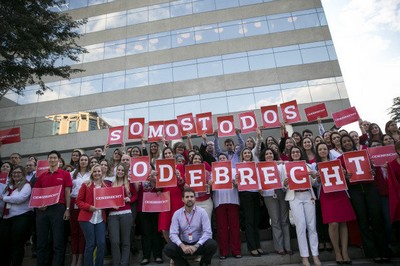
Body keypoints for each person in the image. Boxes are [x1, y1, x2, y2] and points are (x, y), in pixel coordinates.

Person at [339, 135, 390, 263]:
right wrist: (345, 176)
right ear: (341, 145)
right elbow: (340, 177)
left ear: (352, 142)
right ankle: (372, 253)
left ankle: (384, 251)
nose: (347, 143)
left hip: (370, 188)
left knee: (377, 218)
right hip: (355, 190)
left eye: (348, 141)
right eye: (344, 142)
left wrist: (373, 170)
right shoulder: (340, 159)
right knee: (363, 221)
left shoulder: (365, 153)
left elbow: (374, 168)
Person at [312, 143, 355, 264]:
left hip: (340, 193)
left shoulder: (337, 162)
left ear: (328, 151)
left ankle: (345, 252)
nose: (323, 151)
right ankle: (337, 252)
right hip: (326, 195)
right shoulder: (314, 166)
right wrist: (318, 179)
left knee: (343, 222)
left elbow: (346, 177)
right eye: (320, 149)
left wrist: (345, 174)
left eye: (324, 149)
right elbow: (314, 184)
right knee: (333, 223)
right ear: (317, 152)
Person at [34, 150, 72, 266]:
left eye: (54, 157)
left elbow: (67, 192)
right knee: (41, 241)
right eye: (50, 157)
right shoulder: (41, 176)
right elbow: (36, 193)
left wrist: (67, 209)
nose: (52, 159)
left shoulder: (65, 174)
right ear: (48, 160)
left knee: (58, 241)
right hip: (43, 210)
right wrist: (39, 205)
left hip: (58, 209)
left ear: (59, 160)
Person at [284, 146, 321, 266]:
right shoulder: (286, 167)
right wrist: (285, 183)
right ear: (290, 154)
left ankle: (315, 255)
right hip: (295, 197)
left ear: (301, 153)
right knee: (301, 226)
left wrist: (316, 176)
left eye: (297, 151)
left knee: (312, 226)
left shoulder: (308, 166)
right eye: (293, 152)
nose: (295, 153)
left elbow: (315, 183)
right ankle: (304, 256)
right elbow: (283, 186)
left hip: (308, 195)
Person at [163, 187, 217, 266]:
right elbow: (173, 234)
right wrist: (182, 246)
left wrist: (196, 246)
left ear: (195, 199)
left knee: (212, 244)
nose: (189, 199)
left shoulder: (202, 212)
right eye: (187, 197)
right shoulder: (177, 214)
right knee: (168, 248)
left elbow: (208, 232)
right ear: (182, 199)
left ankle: (204, 263)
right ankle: (183, 264)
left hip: (198, 244)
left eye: (192, 197)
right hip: (184, 245)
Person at [259, 148, 292, 255]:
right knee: (275, 221)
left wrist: (280, 162)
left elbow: (289, 163)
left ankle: (288, 246)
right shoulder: (260, 168)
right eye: (267, 154)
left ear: (274, 155)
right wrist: (260, 189)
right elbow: (258, 183)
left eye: (271, 153)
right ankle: (279, 248)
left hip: (281, 192)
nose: (269, 155)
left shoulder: (280, 165)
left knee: (284, 220)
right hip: (268, 195)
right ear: (264, 156)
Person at [0, 165, 34, 266]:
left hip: (21, 216)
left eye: (19, 172)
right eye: (14, 173)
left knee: (17, 244)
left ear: (23, 174)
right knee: (4, 244)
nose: (16, 174)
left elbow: (20, 199)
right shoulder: (8, 187)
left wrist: (4, 198)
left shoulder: (26, 185)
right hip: (7, 217)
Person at [76, 164, 108, 266]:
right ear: (91, 173)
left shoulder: (106, 186)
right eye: (95, 171)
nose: (97, 173)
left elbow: (110, 200)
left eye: (99, 171)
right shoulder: (86, 185)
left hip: (100, 218)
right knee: (90, 244)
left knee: (101, 243)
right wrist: (89, 207)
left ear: (102, 173)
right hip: (86, 218)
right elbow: (78, 201)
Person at [213, 152, 241, 259]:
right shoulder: (213, 171)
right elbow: (210, 186)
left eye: (224, 158)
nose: (222, 159)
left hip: (233, 200)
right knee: (222, 228)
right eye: (220, 158)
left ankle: (236, 251)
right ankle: (223, 252)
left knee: (234, 227)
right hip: (220, 201)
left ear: (228, 159)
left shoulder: (234, 170)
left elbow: (240, 185)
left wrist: (236, 183)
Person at [108, 163, 137, 266]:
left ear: (125, 172)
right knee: (115, 241)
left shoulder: (129, 183)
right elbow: (107, 199)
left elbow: (135, 196)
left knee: (125, 241)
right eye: (118, 170)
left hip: (126, 213)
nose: (120, 172)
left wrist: (130, 199)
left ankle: (124, 263)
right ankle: (117, 263)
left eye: (122, 170)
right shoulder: (110, 184)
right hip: (112, 215)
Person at [238, 147, 264, 257]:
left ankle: (258, 245)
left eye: (249, 152)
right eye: (245, 153)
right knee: (249, 221)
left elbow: (259, 178)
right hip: (245, 194)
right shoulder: (239, 167)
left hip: (255, 194)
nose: (247, 154)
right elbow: (236, 181)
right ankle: (252, 247)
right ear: (242, 155)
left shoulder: (255, 165)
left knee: (256, 220)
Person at [136, 169, 164, 265]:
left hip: (155, 206)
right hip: (142, 208)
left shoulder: (156, 176)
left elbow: (159, 189)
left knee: (156, 231)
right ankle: (146, 256)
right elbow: (135, 191)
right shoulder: (137, 176)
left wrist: (152, 179)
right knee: (145, 232)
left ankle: (158, 255)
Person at [70, 154, 90, 266]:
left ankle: (80, 258)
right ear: (79, 161)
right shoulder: (72, 174)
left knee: (83, 231)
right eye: (81, 160)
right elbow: (68, 191)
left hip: (85, 203)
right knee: (74, 231)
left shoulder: (91, 174)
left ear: (88, 162)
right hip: (74, 202)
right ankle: (74, 257)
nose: (83, 161)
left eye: (85, 160)